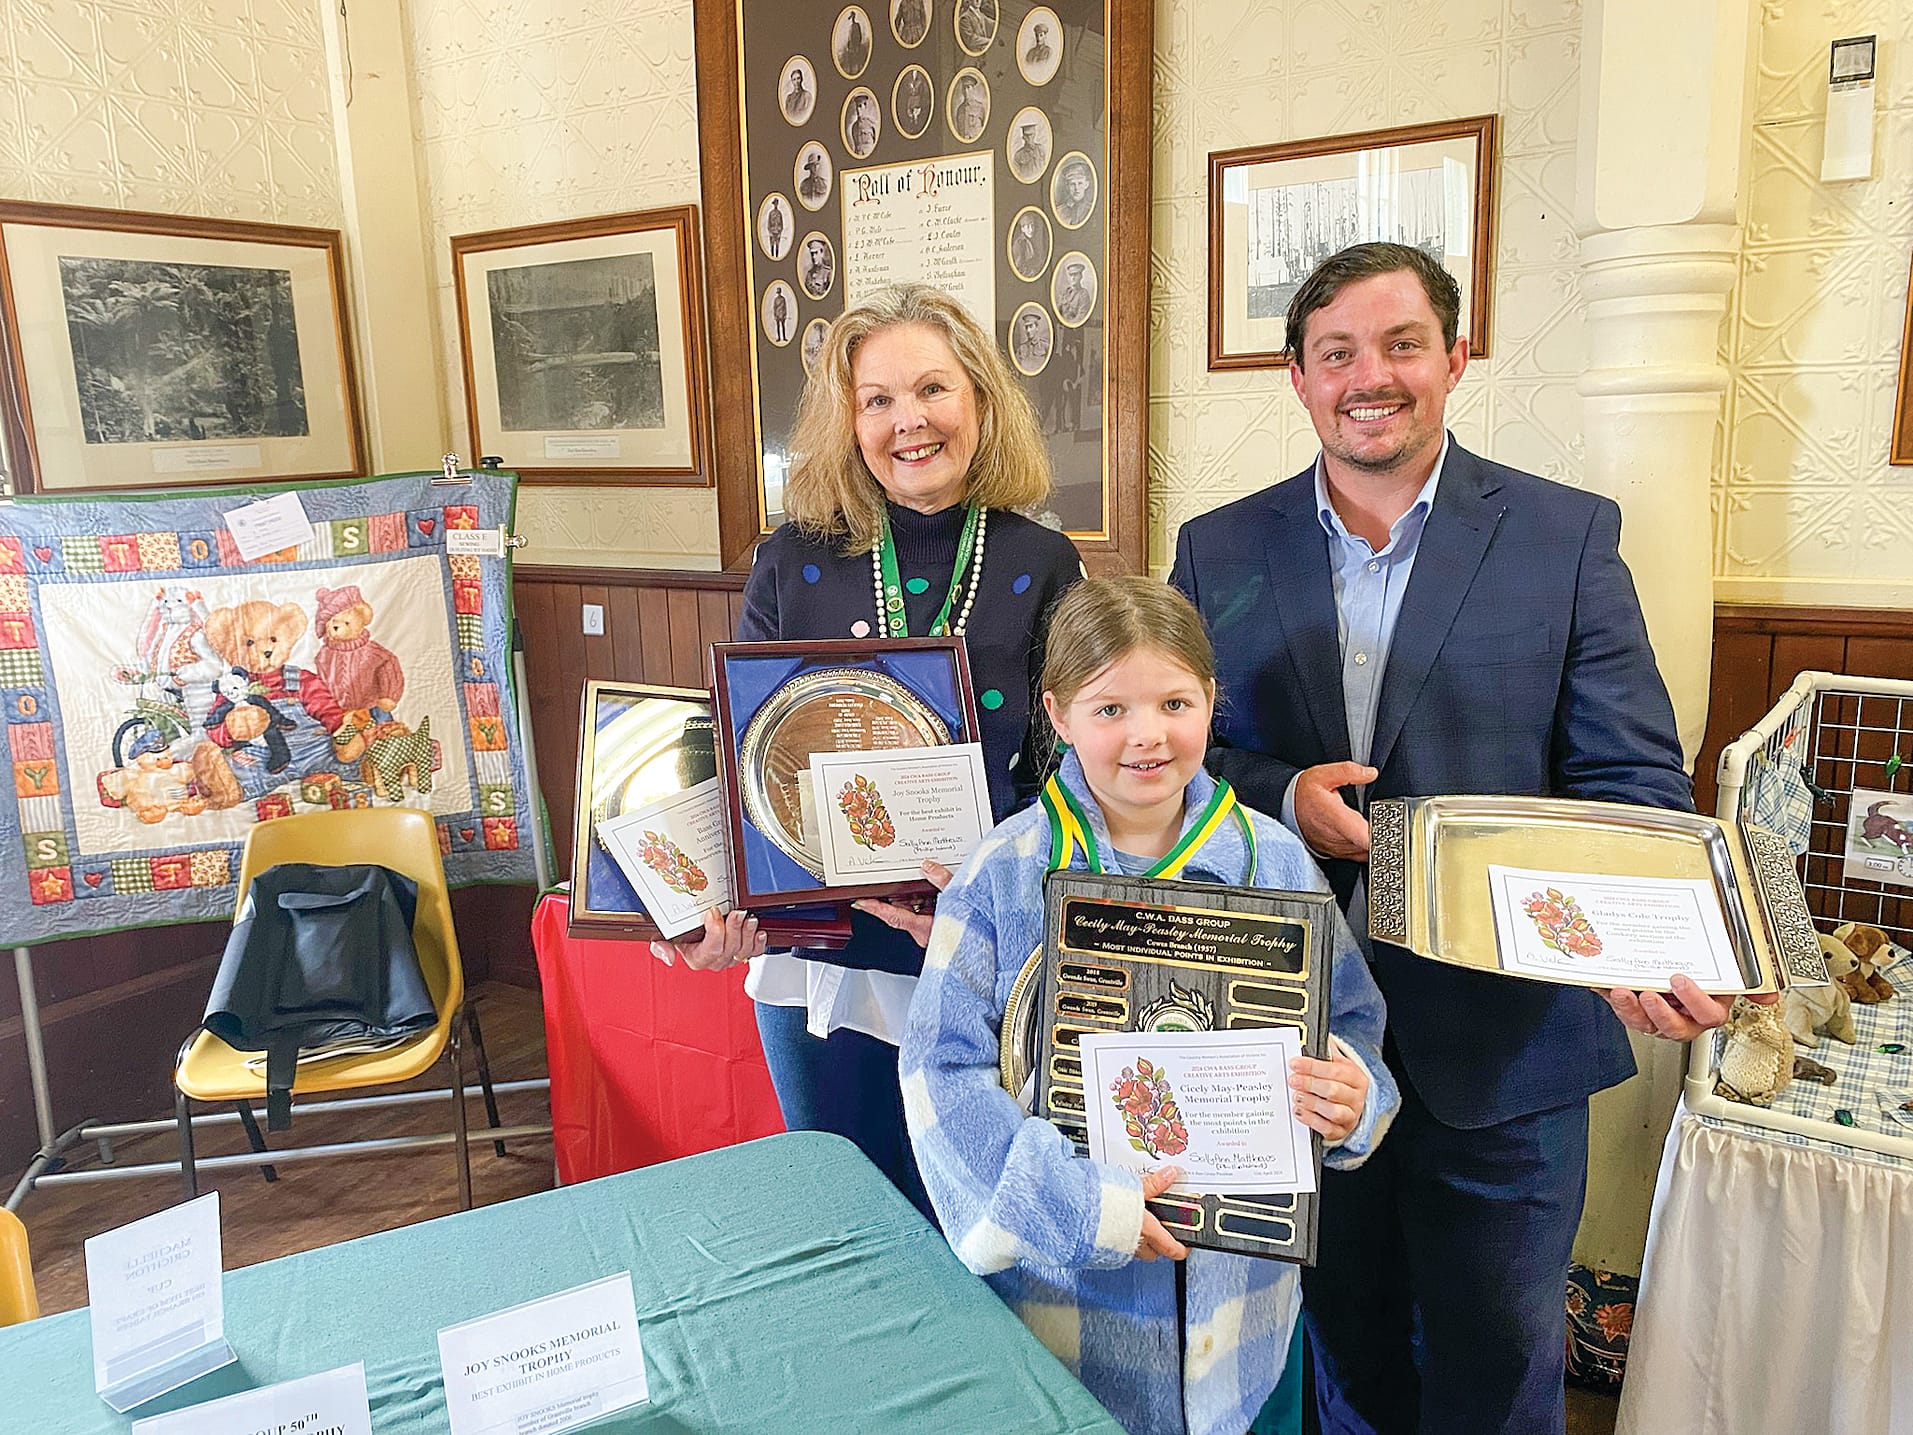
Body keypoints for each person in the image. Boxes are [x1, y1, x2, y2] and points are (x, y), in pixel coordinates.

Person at [1168, 241, 1735, 1435]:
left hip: (1507, 1054)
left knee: (1495, 1370)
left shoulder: (1563, 536)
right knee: (1346, 1360)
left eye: (1399, 344)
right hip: (1303, 1047)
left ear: (1453, 357)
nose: (1368, 376)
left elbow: (1628, 776)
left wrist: (1657, 941)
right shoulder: (1218, 547)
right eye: (1336, 354)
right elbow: (1182, 751)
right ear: (1299, 378)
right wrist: (1278, 793)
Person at [900, 576, 1399, 1435]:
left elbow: (1350, 1019)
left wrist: (1352, 1094)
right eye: (1108, 709)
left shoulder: (1272, 860)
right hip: (1065, 1326)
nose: (1146, 735)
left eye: (1173, 700)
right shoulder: (1004, 870)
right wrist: (1083, 1206)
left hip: (1245, 1324)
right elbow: (938, 1074)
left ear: (1210, 700)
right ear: (1056, 714)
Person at [653, 284, 1084, 1220]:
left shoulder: (1043, 562)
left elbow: (1068, 777)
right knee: (850, 1222)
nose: (908, 420)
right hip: (823, 965)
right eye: (877, 398)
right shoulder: (789, 557)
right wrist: (702, 902)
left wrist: (1006, 913)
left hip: (981, 951)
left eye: (931, 388)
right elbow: (736, 763)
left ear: (978, 398)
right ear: (847, 422)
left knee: (973, 1224)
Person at [1054, 157, 1094, 226]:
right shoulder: (1059, 212)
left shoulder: (1091, 210)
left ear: (1086, 185)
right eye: (1072, 184)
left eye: (1080, 183)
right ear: (1067, 186)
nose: (1077, 189)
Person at [1054, 258, 1092, 324]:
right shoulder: (1066, 292)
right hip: (1062, 328)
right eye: (1071, 275)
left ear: (1080, 276)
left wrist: (1067, 323)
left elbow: (1081, 317)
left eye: (1075, 275)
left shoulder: (1083, 294)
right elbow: (1057, 310)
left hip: (1075, 330)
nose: (1073, 278)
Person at [1010, 210, 1047, 278]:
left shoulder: (1033, 240)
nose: (1031, 230)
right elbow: (1019, 268)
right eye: (1028, 226)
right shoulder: (1020, 244)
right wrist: (1034, 273)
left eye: (1032, 226)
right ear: (1022, 229)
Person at [952, 72, 987, 140]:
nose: (966, 91)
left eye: (968, 87)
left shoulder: (979, 107)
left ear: (973, 89)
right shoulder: (960, 109)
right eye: (964, 88)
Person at [837, 8, 869, 74]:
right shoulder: (850, 27)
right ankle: (851, 69)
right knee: (850, 57)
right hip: (851, 45)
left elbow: (858, 35)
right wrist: (848, 45)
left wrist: (858, 44)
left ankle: (859, 68)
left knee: (857, 56)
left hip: (856, 44)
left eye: (852, 16)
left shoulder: (856, 25)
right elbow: (849, 37)